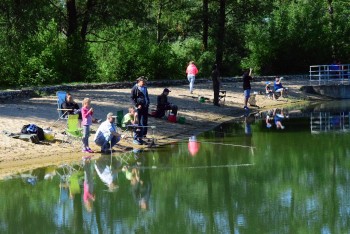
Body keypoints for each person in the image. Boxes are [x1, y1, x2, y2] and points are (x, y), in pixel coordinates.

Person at [130, 76, 150, 145]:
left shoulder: (145, 87)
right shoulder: (134, 88)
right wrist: (136, 105)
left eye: (144, 82)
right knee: (138, 122)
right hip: (139, 108)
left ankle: (144, 135)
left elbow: (146, 96)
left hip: (145, 107)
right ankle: (137, 137)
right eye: (142, 82)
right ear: (139, 82)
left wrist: (148, 103)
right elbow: (132, 98)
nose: (144, 83)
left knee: (145, 121)